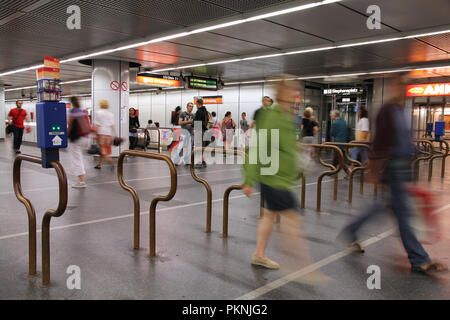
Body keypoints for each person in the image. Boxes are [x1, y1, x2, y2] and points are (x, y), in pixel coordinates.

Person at [338, 75, 448, 275]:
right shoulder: (386, 111)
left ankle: (352, 229)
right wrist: (374, 172)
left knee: (385, 207)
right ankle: (418, 259)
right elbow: (379, 143)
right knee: (403, 213)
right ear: (392, 87)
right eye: (399, 84)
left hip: (404, 167)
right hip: (393, 167)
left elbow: (404, 140)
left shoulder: (401, 110)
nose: (402, 88)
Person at [242, 79, 324, 281]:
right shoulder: (272, 117)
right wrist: (249, 179)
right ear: (282, 94)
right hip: (273, 177)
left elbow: (289, 148)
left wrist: (300, 166)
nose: (295, 95)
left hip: (282, 178)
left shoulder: (289, 118)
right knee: (293, 218)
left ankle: (259, 254)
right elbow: (257, 147)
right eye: (291, 91)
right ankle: (303, 266)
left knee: (269, 215)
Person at [67, 97, 91, 188]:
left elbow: (70, 124)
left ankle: (81, 181)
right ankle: (85, 171)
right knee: (79, 156)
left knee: (76, 159)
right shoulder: (83, 111)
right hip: (85, 138)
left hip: (76, 138)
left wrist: (67, 135)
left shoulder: (73, 112)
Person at [93, 99, 116, 170]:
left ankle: (111, 161)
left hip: (101, 134)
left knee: (103, 151)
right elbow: (112, 125)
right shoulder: (110, 114)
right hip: (108, 134)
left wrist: (94, 134)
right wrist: (115, 134)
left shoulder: (98, 113)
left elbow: (97, 125)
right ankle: (99, 164)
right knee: (104, 150)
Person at [330, 110, 350, 176]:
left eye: (331, 114)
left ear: (335, 115)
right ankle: (332, 171)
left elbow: (332, 133)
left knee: (340, 160)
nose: (330, 115)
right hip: (343, 143)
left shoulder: (335, 123)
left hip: (337, 143)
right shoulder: (343, 121)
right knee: (336, 158)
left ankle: (348, 171)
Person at [349, 107, 369, 171]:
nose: (357, 113)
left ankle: (351, 168)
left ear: (361, 112)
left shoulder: (364, 120)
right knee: (364, 156)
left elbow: (365, 130)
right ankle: (367, 168)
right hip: (361, 141)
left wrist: (363, 140)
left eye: (358, 111)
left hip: (361, 142)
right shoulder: (362, 120)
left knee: (354, 153)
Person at [193, 99, 209, 169]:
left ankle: (201, 162)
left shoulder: (199, 111)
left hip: (200, 131)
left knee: (199, 147)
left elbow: (198, 122)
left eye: (196, 104)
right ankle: (203, 161)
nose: (196, 106)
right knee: (202, 147)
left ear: (198, 104)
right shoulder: (206, 111)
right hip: (204, 130)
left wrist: (195, 129)